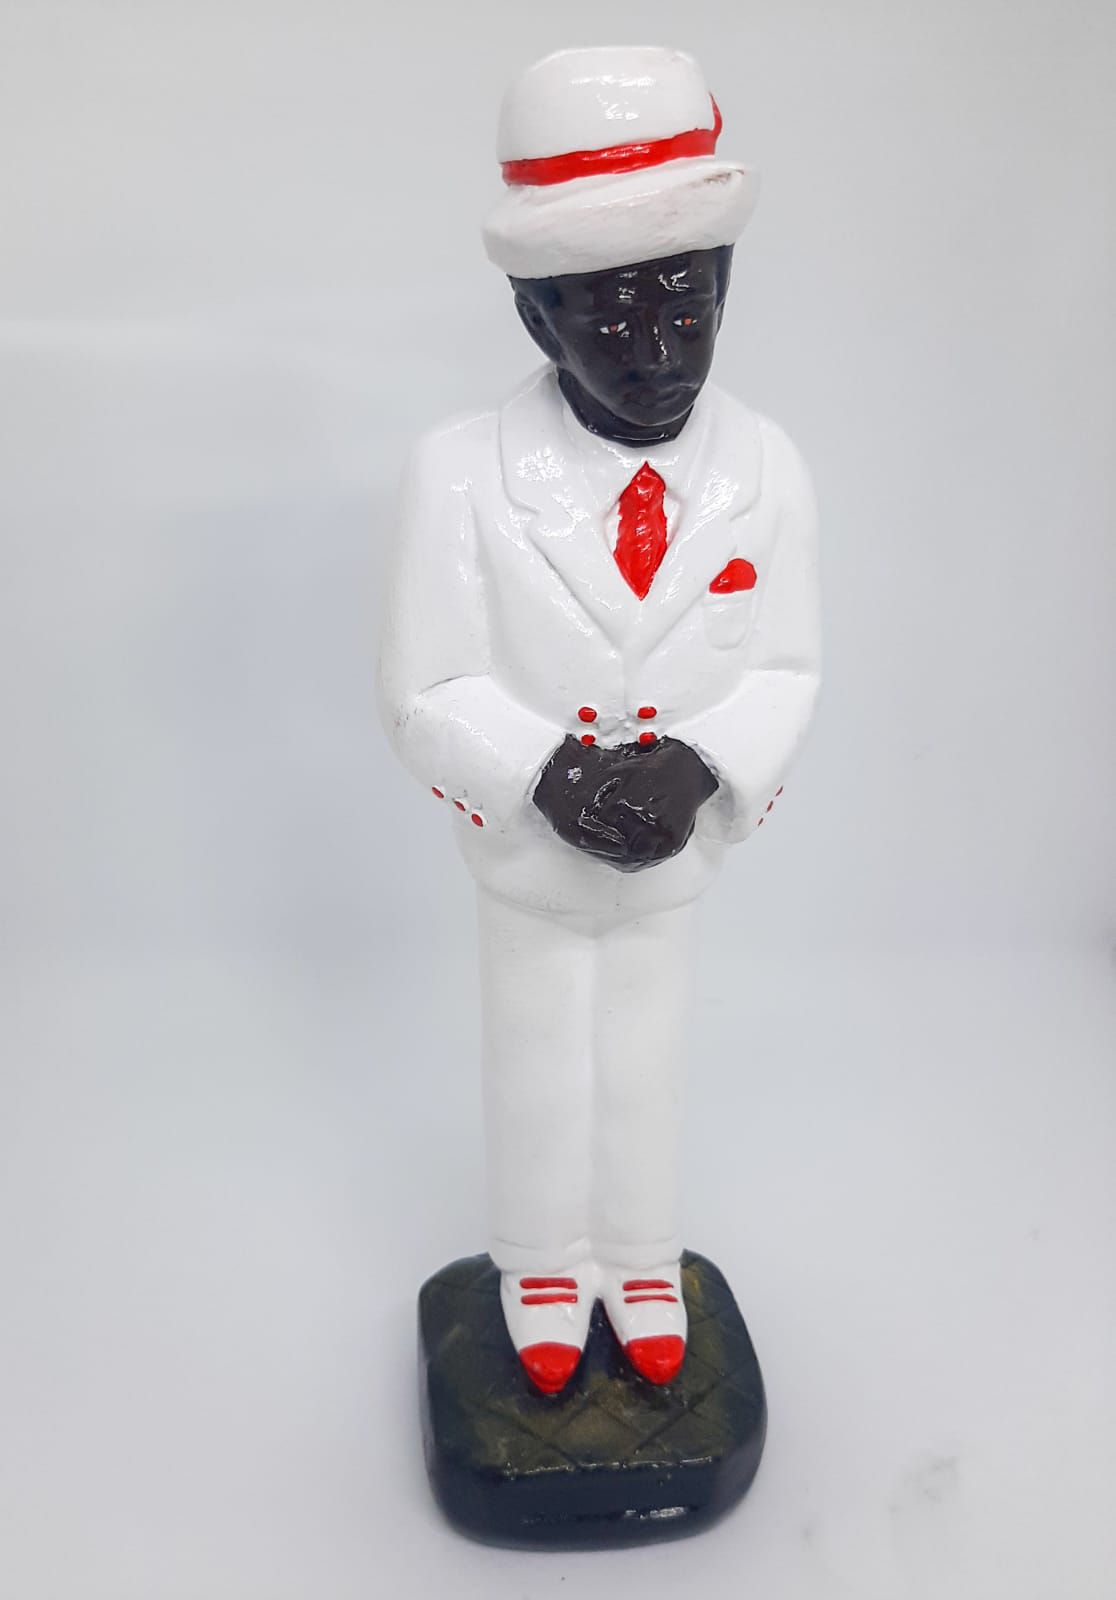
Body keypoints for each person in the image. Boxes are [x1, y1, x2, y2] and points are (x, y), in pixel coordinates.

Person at [378, 46, 820, 1395]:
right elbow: (425, 684)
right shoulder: (461, 475)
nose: (657, 355)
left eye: (688, 311)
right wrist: (551, 776)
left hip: (673, 857)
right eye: (611, 322)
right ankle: (539, 1266)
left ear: (727, 291)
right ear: (536, 319)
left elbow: (787, 668)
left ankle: (639, 1256)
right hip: (531, 856)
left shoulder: (766, 469)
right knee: (536, 1062)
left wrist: (697, 766)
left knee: (645, 1060)